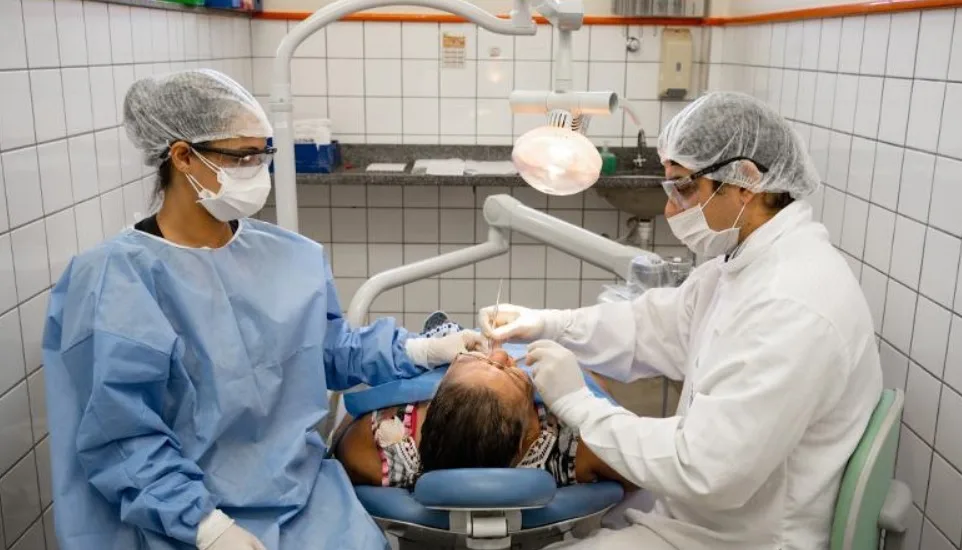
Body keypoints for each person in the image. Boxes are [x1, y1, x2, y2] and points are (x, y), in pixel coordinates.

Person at [42, 69, 485, 550]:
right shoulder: (115, 280)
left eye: (263, 153)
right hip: (172, 513)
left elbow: (328, 349)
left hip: (302, 496)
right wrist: (207, 528)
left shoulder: (291, 257)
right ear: (183, 156)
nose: (259, 169)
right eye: (245, 156)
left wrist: (422, 349)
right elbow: (121, 434)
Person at [479, 91, 883, 550]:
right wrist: (550, 324)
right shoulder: (743, 266)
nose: (671, 209)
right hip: (701, 518)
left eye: (685, 187)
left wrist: (579, 404)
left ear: (745, 181)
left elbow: (706, 469)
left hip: (744, 539)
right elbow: (648, 328)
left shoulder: (792, 305)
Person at [333, 314, 634, 491]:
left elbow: (341, 436)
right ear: (528, 431)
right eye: (513, 375)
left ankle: (446, 339)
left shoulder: (378, 443)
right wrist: (579, 388)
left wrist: (431, 356)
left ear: (432, 400)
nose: (500, 353)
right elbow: (639, 472)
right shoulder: (572, 447)